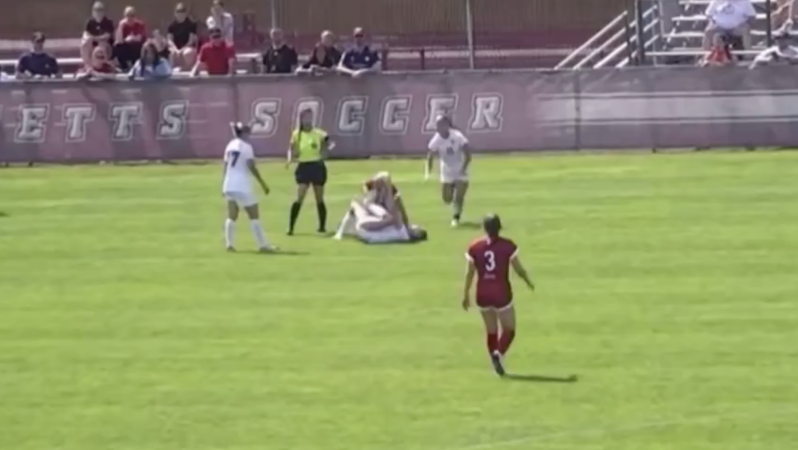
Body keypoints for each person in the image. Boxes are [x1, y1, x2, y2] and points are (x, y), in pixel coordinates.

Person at [463, 214, 535, 376]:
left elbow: (469, 272)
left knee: (491, 330)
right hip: (501, 292)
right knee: (509, 329)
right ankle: (498, 354)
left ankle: (495, 361)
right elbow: (518, 269)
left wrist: (466, 293)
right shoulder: (507, 246)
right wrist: (528, 281)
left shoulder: (475, 246)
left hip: (482, 292)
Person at [222, 121, 275, 253]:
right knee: (254, 216)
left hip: (229, 184)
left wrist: (223, 183)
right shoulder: (246, 147)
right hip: (242, 185)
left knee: (232, 215)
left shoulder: (230, 145)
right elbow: (251, 166)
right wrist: (262, 183)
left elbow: (225, 166)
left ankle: (229, 244)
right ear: (244, 133)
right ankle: (263, 245)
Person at [334, 173, 427, 243]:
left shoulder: (402, 230)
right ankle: (341, 231)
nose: (415, 226)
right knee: (358, 206)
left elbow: (399, 211)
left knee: (362, 208)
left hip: (370, 228)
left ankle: (342, 232)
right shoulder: (401, 230)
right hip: (370, 227)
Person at [286, 108, 332, 235]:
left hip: (317, 166)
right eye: (305, 118)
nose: (308, 120)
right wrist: (290, 159)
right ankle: (290, 227)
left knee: (319, 198)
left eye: (310, 117)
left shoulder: (319, 133)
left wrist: (325, 151)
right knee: (299, 196)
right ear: (301, 119)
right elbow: (291, 149)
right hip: (304, 167)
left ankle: (322, 227)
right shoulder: (297, 134)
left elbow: (328, 143)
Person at [426, 115, 473, 227]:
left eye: (440, 124)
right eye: (437, 125)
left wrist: (463, 168)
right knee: (447, 199)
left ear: (447, 125)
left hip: (461, 168)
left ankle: (456, 217)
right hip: (446, 170)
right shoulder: (436, 139)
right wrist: (428, 171)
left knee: (459, 197)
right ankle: (451, 188)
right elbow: (430, 155)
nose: (438, 127)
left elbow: (468, 154)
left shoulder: (457, 136)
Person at [167, 3, 199, 70]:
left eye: (182, 12)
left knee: (186, 53)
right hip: (176, 47)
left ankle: (185, 71)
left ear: (185, 13)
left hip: (188, 47)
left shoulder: (191, 24)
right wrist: (176, 49)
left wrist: (181, 50)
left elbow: (191, 41)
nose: (180, 14)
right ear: (175, 13)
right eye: (178, 12)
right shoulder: (171, 25)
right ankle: (171, 71)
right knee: (171, 53)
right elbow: (169, 40)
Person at [114, 6, 147, 71]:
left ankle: (136, 65)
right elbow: (119, 40)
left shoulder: (140, 24)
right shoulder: (122, 25)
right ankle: (124, 67)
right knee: (117, 47)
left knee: (136, 45)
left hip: (137, 47)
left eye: (132, 15)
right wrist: (120, 26)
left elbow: (139, 38)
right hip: (127, 47)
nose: (130, 18)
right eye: (128, 15)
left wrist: (131, 38)